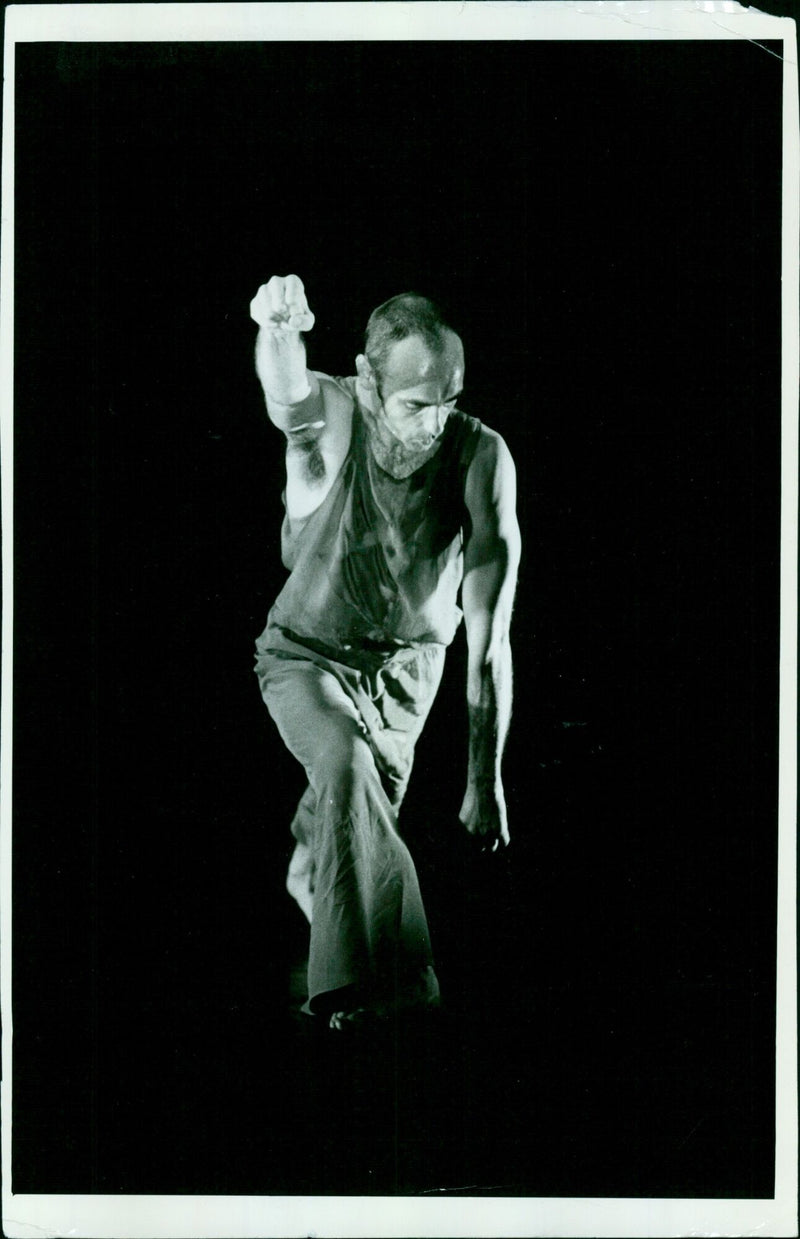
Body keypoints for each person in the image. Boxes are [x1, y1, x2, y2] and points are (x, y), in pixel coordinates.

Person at [250, 274, 520, 1030]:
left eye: (449, 402)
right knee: (343, 761)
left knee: (331, 852)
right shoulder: (338, 415)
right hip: (307, 656)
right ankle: (387, 987)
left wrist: (484, 775)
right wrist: (278, 331)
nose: (434, 425)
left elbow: (489, 636)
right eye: (413, 405)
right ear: (371, 382)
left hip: (405, 681)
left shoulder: (479, 457)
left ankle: (317, 893)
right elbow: (291, 402)